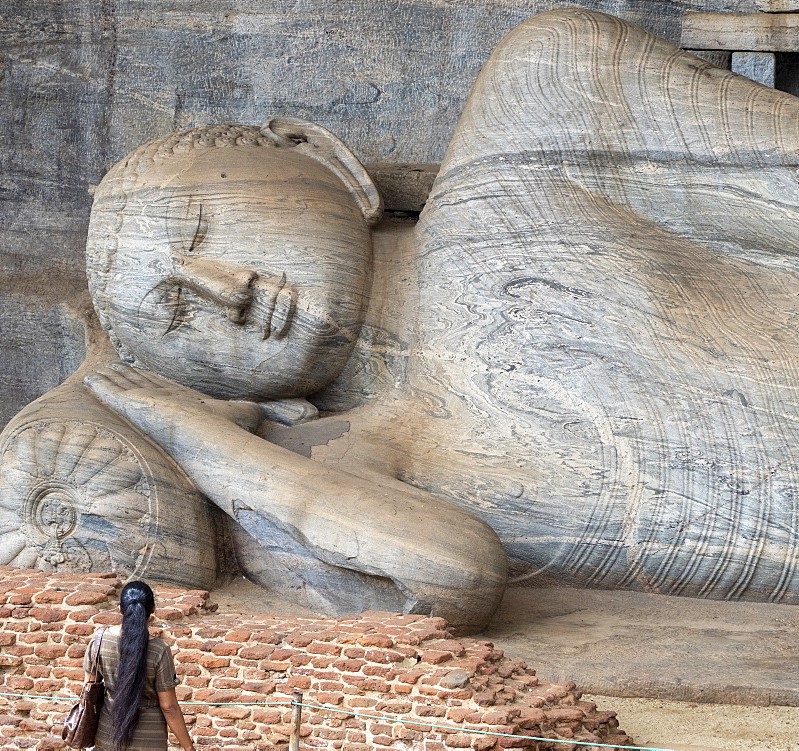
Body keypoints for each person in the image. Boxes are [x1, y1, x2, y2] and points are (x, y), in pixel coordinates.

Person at [83, 7, 799, 623]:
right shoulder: (334, 476)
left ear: (322, 154)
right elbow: (453, 575)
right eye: (177, 314)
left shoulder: (533, 117)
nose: (227, 290)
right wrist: (202, 442)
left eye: (207, 226)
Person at [83, 580, 194, 751]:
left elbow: (89, 690)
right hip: (150, 740)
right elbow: (169, 707)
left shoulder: (100, 641)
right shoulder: (159, 650)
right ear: (152, 611)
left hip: (109, 735)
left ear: (120, 609)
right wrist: (189, 747)